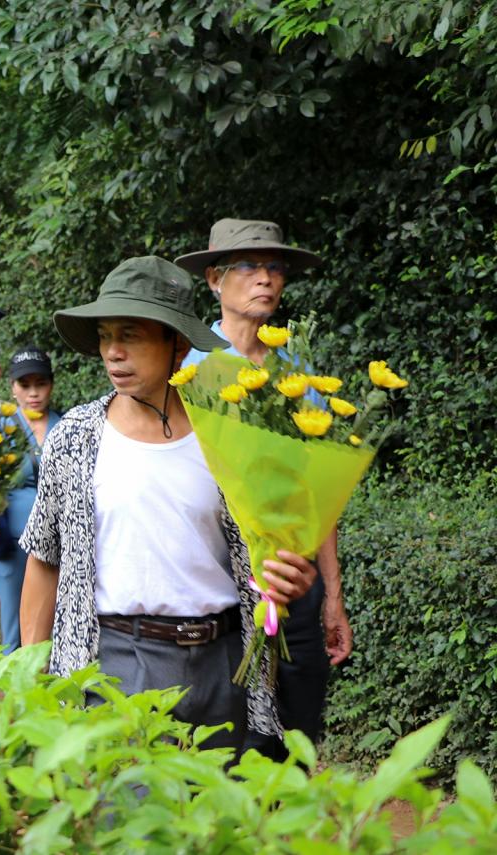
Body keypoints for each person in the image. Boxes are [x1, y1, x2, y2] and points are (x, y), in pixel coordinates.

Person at [19, 256, 318, 752]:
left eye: (131, 334)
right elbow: (44, 558)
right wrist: (34, 674)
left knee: (218, 823)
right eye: (104, 336)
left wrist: (291, 574)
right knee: (128, 822)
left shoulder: (229, 434)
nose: (113, 352)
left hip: (225, 663)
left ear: (177, 343)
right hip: (115, 662)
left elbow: (274, 545)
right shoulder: (74, 437)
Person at [175, 217, 349, 759]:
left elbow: (318, 489)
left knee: (298, 739)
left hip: (294, 582)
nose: (265, 279)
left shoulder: (296, 370)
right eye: (248, 266)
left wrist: (332, 595)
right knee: (236, 742)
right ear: (213, 280)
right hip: (218, 589)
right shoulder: (188, 370)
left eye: (275, 268)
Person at [0, 346, 61, 653]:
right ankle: (10, 690)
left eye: (40, 383)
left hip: (59, 539)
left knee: (55, 615)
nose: (33, 393)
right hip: (12, 539)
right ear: (13, 388)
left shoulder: (68, 425)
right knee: (12, 620)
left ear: (51, 384)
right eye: (25, 385)